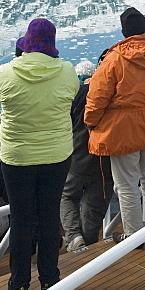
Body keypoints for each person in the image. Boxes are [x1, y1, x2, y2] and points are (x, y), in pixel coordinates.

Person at [0, 18, 78, 290]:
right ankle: (50, 278)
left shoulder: (7, 72)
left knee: (22, 220)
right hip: (56, 156)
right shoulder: (66, 72)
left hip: (18, 158)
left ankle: (19, 286)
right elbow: (73, 93)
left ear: (25, 42)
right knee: (49, 217)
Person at [85, 7, 145, 242]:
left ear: (123, 32)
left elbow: (96, 98)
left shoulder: (114, 60)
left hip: (122, 133)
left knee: (126, 184)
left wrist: (91, 122)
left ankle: (134, 235)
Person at [60, 59, 113, 251]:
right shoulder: (109, 94)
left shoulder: (73, 96)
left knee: (67, 196)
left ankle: (73, 236)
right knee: (95, 207)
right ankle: (88, 244)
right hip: (104, 162)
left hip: (76, 159)